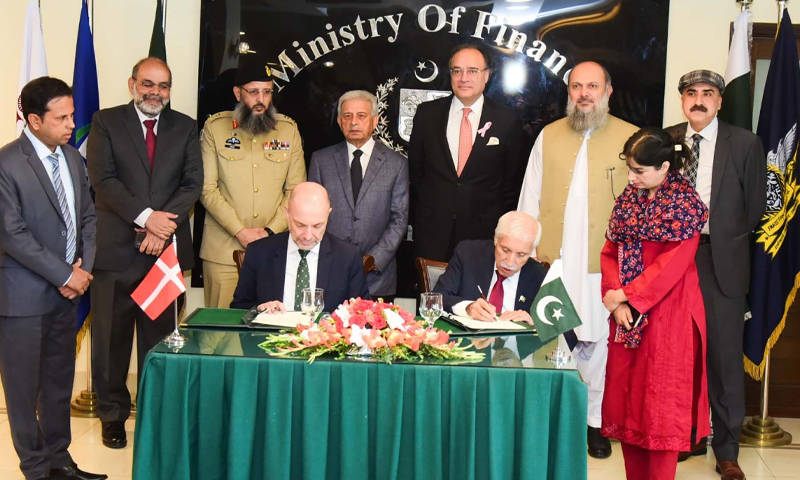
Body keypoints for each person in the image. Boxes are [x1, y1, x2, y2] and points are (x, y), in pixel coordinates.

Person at [517, 61, 638, 458]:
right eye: (576, 87)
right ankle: (549, 421)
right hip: (554, 260)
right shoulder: (548, 135)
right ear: (569, 92)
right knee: (549, 339)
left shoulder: (630, 138)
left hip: (602, 265)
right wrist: (526, 252)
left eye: (592, 86)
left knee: (599, 347)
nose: (584, 93)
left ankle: (594, 424)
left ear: (608, 91)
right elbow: (530, 196)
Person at [86, 57, 203, 450]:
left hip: (164, 254)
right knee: (111, 341)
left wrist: (160, 227)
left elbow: (192, 183)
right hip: (116, 252)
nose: (156, 92)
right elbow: (103, 180)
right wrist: (147, 218)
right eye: (148, 84)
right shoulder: (105, 122)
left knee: (159, 341)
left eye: (163, 85)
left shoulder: (185, 126)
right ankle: (112, 417)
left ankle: (155, 414)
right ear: (132, 84)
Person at [0, 77, 105, 480]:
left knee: (59, 384)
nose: (71, 125)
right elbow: (12, 235)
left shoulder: (73, 159)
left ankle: (60, 460)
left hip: (67, 294)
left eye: (72, 116)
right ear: (34, 120)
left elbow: (89, 218)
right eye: (61, 118)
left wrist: (82, 272)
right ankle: (35, 468)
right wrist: (65, 274)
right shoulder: (8, 163)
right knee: (23, 390)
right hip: (23, 299)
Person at [665, 70, 766, 480]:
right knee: (678, 354)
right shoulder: (666, 139)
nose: (699, 100)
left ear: (720, 101)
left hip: (720, 261)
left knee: (724, 360)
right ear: (682, 100)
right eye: (691, 93)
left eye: (708, 94)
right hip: (673, 261)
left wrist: (720, 236)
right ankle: (685, 436)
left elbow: (755, 208)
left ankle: (727, 450)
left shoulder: (745, 144)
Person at [600, 127, 710, 480]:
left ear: (664, 167)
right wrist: (616, 300)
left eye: (639, 171)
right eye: (629, 169)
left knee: (660, 412)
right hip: (627, 317)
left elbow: (671, 267)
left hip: (669, 317)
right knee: (629, 406)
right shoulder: (629, 200)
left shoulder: (686, 206)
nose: (631, 178)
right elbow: (610, 251)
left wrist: (627, 295)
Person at [200, 55, 306, 308]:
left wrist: (268, 233)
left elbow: (295, 190)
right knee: (221, 329)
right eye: (254, 92)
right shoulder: (216, 128)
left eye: (267, 92)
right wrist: (240, 231)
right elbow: (207, 189)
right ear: (238, 93)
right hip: (223, 252)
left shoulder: (288, 130)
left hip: (274, 251)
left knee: (273, 326)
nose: (261, 100)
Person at [409, 43, 526, 262]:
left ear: (486, 75)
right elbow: (416, 173)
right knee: (431, 286)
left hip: (483, 234)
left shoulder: (507, 120)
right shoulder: (427, 114)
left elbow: (510, 184)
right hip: (432, 231)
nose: (464, 78)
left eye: (472, 71)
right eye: (457, 71)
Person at [308, 90, 409, 301]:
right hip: (329, 271)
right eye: (347, 116)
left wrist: (374, 259)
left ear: (375, 120)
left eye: (361, 116)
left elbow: (399, 220)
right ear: (339, 121)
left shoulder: (397, 164)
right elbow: (312, 215)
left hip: (377, 276)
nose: (354, 122)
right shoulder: (321, 160)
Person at [230, 182, 369, 311]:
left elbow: (362, 313)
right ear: (287, 213)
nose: (308, 236)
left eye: (317, 226)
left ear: (328, 215)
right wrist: (260, 310)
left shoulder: (348, 256)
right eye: (300, 225)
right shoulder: (259, 252)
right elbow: (238, 308)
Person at [433, 211, 546, 325]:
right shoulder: (468, 255)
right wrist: (467, 308)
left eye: (521, 255)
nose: (510, 262)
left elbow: (551, 323)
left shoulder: (539, 274)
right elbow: (437, 299)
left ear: (531, 251)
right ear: (496, 239)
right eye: (505, 250)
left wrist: (534, 323)